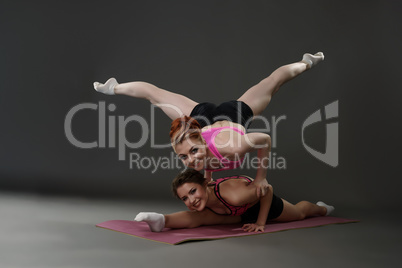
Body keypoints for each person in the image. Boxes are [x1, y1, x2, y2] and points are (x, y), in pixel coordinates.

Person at [94, 52, 325, 195]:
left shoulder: (233, 147)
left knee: (273, 82)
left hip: (233, 115)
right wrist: (207, 178)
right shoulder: (194, 146)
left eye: (193, 151)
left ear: (202, 140)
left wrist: (260, 177)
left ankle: (306, 63)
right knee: (154, 95)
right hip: (200, 118)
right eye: (184, 157)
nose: (190, 160)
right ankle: (114, 87)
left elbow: (264, 139)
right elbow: (202, 157)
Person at [134, 169, 334, 232]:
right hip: (233, 212)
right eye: (185, 198)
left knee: (299, 213)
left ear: (205, 185)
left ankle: (321, 209)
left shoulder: (234, 195)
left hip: (262, 205)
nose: (191, 200)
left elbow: (267, 189)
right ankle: (162, 221)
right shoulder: (205, 202)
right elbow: (195, 214)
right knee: (198, 217)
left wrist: (261, 223)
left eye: (193, 192)